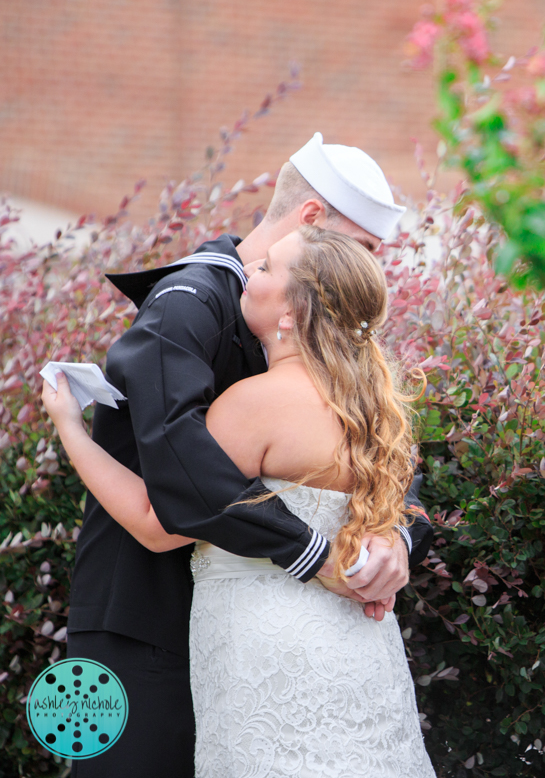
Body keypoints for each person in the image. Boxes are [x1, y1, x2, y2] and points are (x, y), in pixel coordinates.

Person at [54, 133, 433, 777]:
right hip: (137, 624)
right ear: (314, 220)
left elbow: (160, 514)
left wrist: (397, 538)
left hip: (250, 634)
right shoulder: (191, 305)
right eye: (364, 250)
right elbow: (181, 475)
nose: (368, 274)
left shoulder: (295, 371)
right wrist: (327, 551)